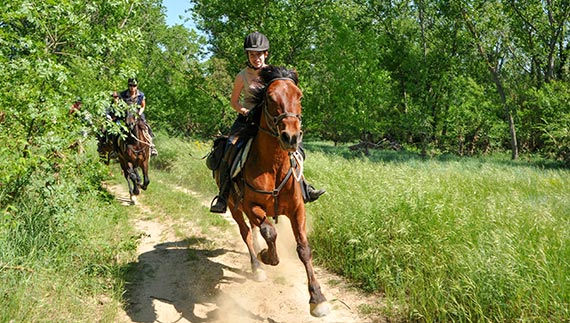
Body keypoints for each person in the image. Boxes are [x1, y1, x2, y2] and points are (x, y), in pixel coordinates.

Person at [210, 32, 325, 213]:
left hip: (271, 121)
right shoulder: (242, 76)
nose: (256, 58)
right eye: (252, 54)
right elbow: (234, 102)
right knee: (230, 146)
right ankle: (223, 195)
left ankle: (304, 187)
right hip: (248, 120)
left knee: (296, 150)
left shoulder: (274, 75)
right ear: (248, 55)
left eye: (260, 54)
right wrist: (244, 111)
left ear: (266, 54)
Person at [119, 78, 158, 156]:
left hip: (138, 113)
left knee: (146, 127)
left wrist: (138, 114)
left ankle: (151, 147)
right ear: (128, 85)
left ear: (137, 86)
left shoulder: (141, 94)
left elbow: (143, 106)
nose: (132, 87)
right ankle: (116, 149)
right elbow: (120, 106)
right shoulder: (123, 94)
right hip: (127, 114)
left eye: (134, 85)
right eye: (130, 85)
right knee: (119, 130)